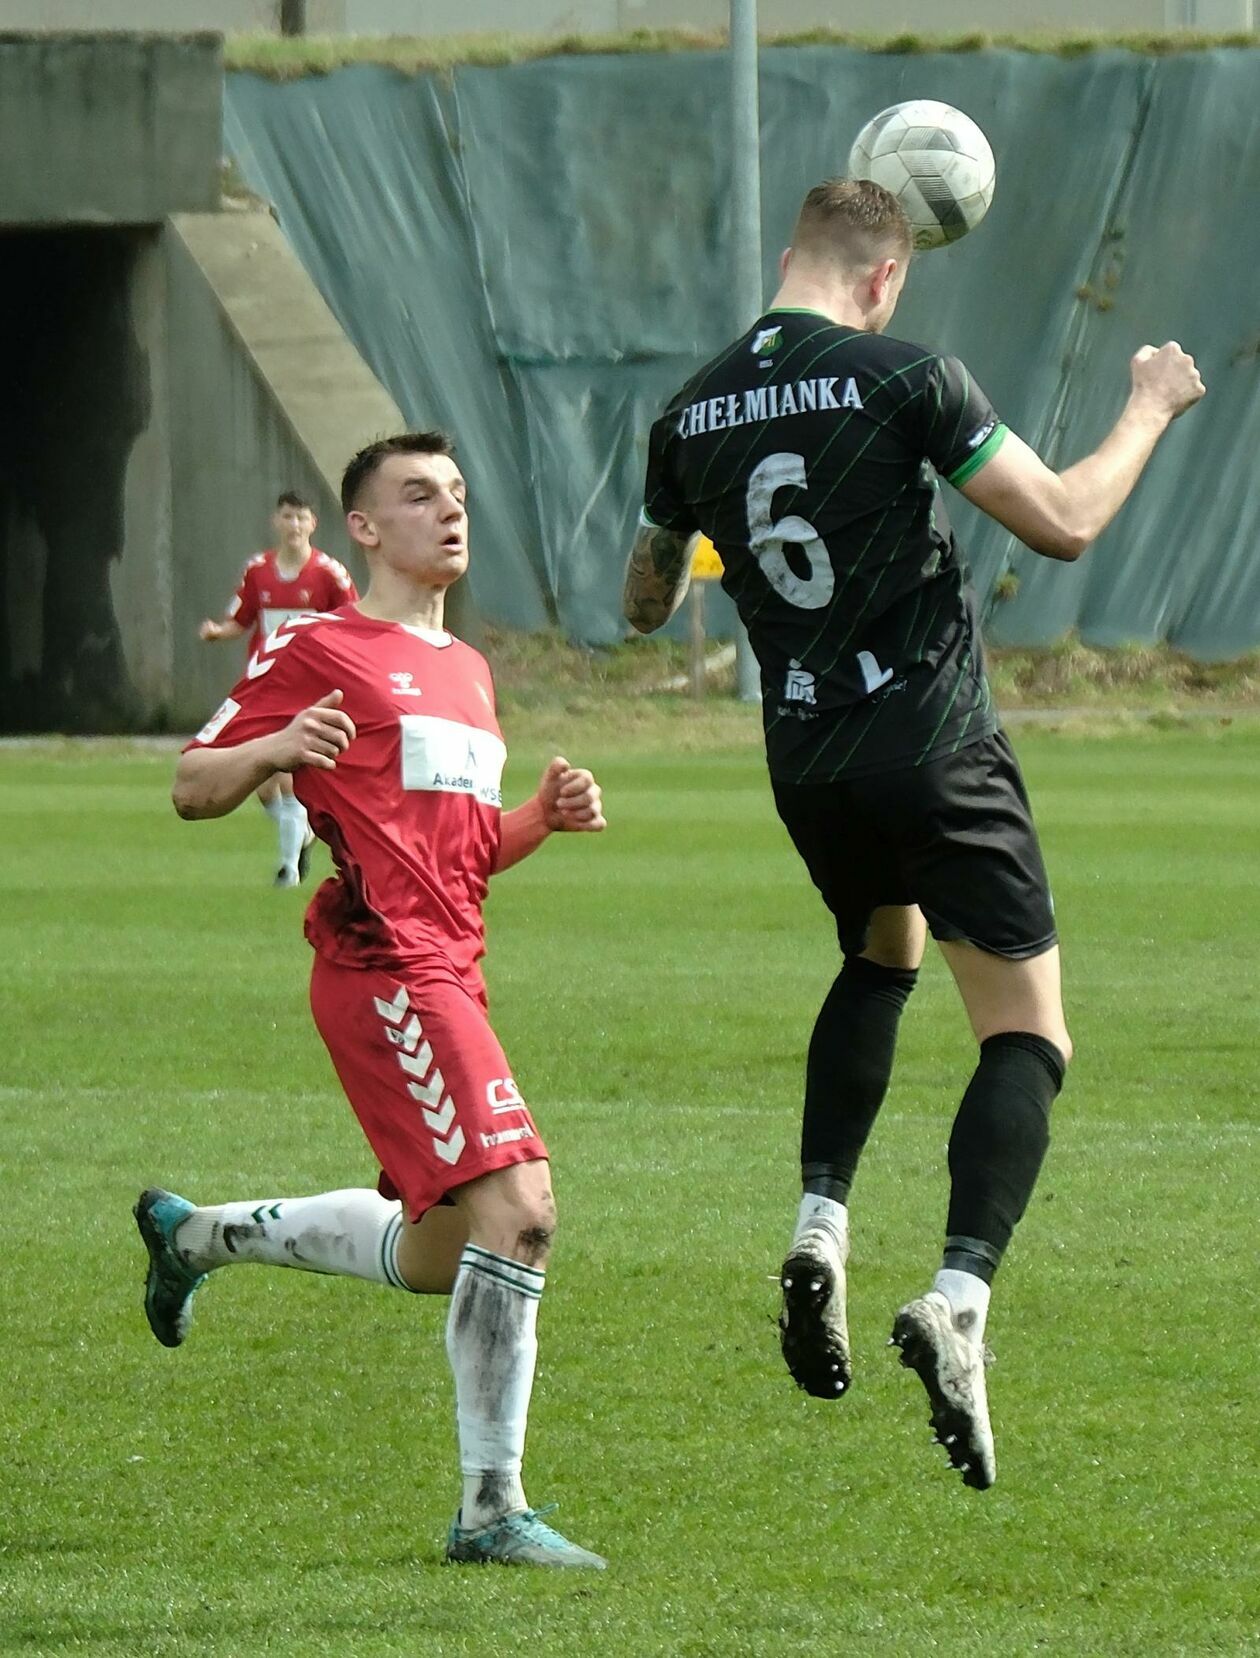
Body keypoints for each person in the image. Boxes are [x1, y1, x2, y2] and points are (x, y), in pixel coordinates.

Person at [622, 178, 1204, 1489]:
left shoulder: (689, 409)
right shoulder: (905, 375)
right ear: (885, 277)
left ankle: (820, 1229)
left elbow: (647, 598)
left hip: (809, 761)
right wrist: (1150, 406)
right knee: (1027, 1031)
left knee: (881, 958)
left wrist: (688, 522)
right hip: (934, 743)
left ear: (792, 258)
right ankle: (957, 1296)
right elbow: (1063, 521)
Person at [137, 433, 608, 1568]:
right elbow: (193, 782)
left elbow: (452, 852)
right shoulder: (322, 647)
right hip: (385, 967)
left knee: (451, 1249)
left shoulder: (472, 669)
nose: (450, 511)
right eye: (418, 495)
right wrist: (278, 749)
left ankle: (195, 1234)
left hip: (453, 961)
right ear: (362, 527)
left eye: (456, 493)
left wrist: (539, 816)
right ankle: (492, 1509)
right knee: (523, 1210)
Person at [199, 492, 358, 888]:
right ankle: (299, 829)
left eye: (300, 517)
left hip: (309, 685)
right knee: (262, 781)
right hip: (267, 682)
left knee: (287, 775)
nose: (294, 525)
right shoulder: (258, 571)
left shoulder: (329, 574)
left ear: (313, 523)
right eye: (287, 517)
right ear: (276, 521)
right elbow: (242, 618)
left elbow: (353, 621)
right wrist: (219, 632)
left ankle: (288, 869)